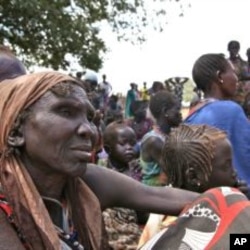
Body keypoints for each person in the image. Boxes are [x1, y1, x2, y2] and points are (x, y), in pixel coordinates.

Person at [0, 71, 198, 249]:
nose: (88, 129)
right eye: (65, 111)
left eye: (89, 117)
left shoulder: (85, 182)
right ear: (16, 132)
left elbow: (162, 197)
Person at [138, 124, 250, 250]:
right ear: (193, 177)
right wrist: (241, 210)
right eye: (226, 166)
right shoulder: (188, 224)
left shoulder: (163, 206)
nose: (234, 172)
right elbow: (238, 242)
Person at [185, 53, 250, 190]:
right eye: (233, 72)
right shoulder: (231, 110)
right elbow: (245, 156)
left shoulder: (190, 118)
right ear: (220, 76)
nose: (237, 78)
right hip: (241, 197)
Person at [100, 121, 143, 249]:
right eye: (123, 144)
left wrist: (136, 180)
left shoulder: (134, 169)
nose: (129, 148)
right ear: (108, 149)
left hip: (131, 223)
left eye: (133, 143)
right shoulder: (101, 168)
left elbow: (140, 205)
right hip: (110, 228)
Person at [140, 90, 182, 186]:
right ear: (165, 111)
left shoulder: (167, 135)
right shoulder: (154, 141)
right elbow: (175, 173)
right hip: (154, 194)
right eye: (177, 109)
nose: (180, 114)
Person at [227, 40, 247, 105]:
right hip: (229, 93)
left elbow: (245, 76)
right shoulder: (224, 63)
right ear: (228, 49)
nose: (234, 50)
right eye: (232, 48)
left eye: (236, 48)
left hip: (242, 94)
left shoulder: (243, 63)